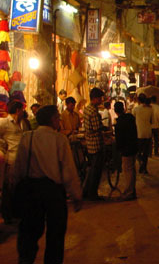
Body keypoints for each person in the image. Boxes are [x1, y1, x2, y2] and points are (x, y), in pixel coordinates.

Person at [13, 105, 82, 264]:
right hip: (53, 193)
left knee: (29, 232)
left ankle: (25, 260)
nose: (59, 120)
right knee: (55, 235)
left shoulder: (27, 137)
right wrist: (76, 195)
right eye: (58, 117)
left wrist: (15, 185)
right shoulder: (59, 140)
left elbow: (19, 167)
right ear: (52, 119)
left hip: (32, 191)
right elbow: (68, 171)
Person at [0, 100, 25, 223]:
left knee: (16, 188)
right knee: (9, 188)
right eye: (22, 110)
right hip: (11, 160)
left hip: (19, 160)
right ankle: (7, 215)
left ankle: (15, 213)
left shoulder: (19, 123)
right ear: (17, 110)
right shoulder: (5, 122)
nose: (23, 112)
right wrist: (2, 147)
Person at [83, 87, 106, 201]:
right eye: (100, 98)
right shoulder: (93, 111)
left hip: (89, 144)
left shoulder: (87, 109)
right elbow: (97, 128)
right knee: (96, 171)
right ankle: (93, 193)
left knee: (91, 169)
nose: (101, 100)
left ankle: (87, 191)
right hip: (96, 144)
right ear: (95, 99)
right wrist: (104, 129)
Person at [114, 101, 138, 201]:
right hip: (133, 146)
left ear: (115, 111)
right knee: (132, 169)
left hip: (126, 149)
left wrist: (119, 149)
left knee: (127, 170)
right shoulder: (130, 118)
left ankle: (129, 192)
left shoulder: (119, 123)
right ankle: (132, 190)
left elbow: (119, 139)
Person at [133, 93, 153, 174]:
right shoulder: (150, 109)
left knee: (137, 151)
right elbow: (151, 121)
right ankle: (144, 168)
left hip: (139, 133)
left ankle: (141, 162)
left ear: (138, 100)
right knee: (145, 152)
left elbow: (133, 120)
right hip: (148, 133)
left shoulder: (135, 109)